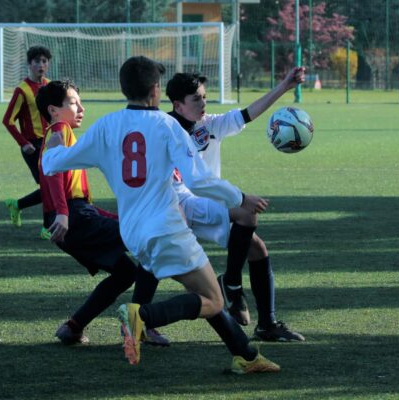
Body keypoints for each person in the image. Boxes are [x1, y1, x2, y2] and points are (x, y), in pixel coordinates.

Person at [43, 56, 279, 374]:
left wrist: (54, 147)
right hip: (166, 228)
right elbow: (199, 180)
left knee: (203, 292)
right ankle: (142, 318)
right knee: (213, 299)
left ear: (124, 88)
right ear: (156, 90)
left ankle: (246, 357)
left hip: (133, 231)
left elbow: (54, 164)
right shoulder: (167, 126)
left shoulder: (106, 126)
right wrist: (242, 198)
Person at [162, 71, 305, 342]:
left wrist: (285, 87)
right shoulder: (166, 129)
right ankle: (230, 284)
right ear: (178, 105)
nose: (203, 104)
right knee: (246, 215)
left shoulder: (209, 124)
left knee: (257, 248)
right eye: (196, 99)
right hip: (179, 206)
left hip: (205, 205)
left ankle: (266, 323)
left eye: (204, 97)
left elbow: (247, 113)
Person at [36, 79, 168, 347]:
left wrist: (52, 212)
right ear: (53, 110)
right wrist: (62, 213)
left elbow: (48, 180)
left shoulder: (56, 133)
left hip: (72, 218)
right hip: (75, 217)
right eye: (73, 102)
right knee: (153, 238)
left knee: (125, 273)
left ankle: (73, 327)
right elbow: (52, 175)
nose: (81, 108)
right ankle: (139, 324)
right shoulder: (60, 130)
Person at [2, 45, 52, 233]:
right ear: (29, 64)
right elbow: (8, 121)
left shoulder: (49, 85)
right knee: (49, 188)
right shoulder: (22, 90)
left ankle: (17, 205)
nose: (41, 65)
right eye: (37, 61)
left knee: (51, 187)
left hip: (50, 144)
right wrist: (24, 143)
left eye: (44, 61)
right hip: (33, 146)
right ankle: (47, 228)